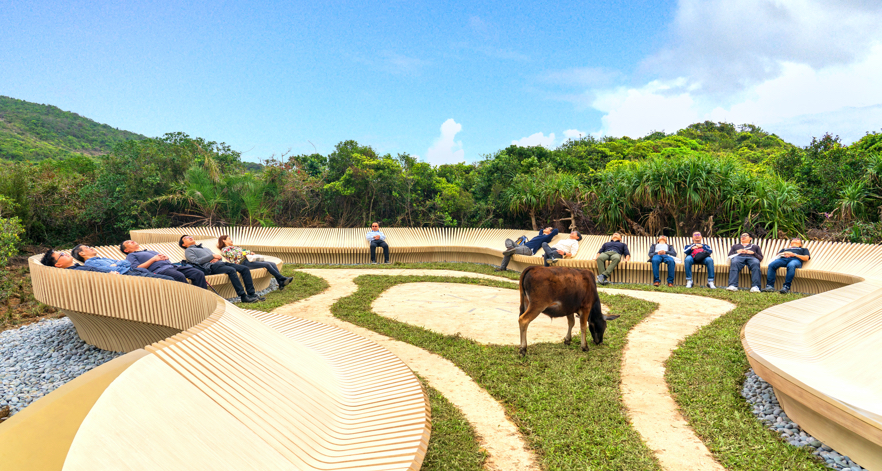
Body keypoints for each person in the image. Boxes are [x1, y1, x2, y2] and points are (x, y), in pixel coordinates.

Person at [179, 235, 263, 303]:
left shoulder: (205, 248)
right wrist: (212, 256)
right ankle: (243, 296)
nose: (189, 237)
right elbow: (195, 261)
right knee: (231, 270)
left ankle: (252, 294)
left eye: (190, 236)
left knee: (244, 269)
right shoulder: (189, 250)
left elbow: (218, 256)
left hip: (220, 263)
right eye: (186, 238)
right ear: (183, 244)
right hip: (210, 267)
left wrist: (217, 258)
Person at [120, 240, 208, 289]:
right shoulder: (131, 255)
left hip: (173, 266)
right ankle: (191, 299)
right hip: (160, 271)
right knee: (179, 276)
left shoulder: (150, 251)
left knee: (198, 273)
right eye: (128, 243)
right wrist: (153, 259)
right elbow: (137, 268)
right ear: (126, 250)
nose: (131, 241)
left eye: (131, 241)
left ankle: (204, 297)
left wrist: (166, 258)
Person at [218, 235, 293, 290]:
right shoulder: (224, 250)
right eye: (229, 239)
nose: (231, 240)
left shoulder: (235, 247)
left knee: (272, 264)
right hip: (243, 263)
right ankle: (282, 278)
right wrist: (248, 252)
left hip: (249, 260)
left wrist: (248, 252)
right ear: (224, 240)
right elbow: (236, 255)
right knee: (267, 264)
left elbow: (242, 252)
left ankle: (280, 283)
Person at [71, 245, 175, 281]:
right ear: (82, 253)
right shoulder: (90, 263)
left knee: (169, 279)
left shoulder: (100, 259)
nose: (91, 248)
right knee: (169, 279)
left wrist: (117, 264)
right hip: (130, 275)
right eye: (87, 248)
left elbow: (126, 263)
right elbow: (112, 269)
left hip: (134, 271)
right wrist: (117, 264)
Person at [40, 249, 120, 273]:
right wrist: (110, 273)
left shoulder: (77, 268)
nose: (65, 254)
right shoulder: (77, 271)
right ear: (58, 265)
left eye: (62, 253)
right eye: (61, 255)